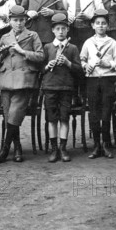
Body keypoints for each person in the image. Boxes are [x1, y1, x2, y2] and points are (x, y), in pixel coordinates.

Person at [0, 5, 44, 163]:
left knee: (14, 115)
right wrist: (2, 52)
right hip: (6, 78)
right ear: (10, 21)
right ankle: (17, 148)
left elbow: (40, 56)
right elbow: (0, 58)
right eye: (15, 20)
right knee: (8, 115)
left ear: (26, 21)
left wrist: (22, 52)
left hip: (24, 79)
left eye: (22, 20)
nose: (18, 23)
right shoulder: (4, 37)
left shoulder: (33, 35)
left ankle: (5, 149)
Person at [80, 9, 116, 159]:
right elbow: (82, 59)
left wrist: (107, 63)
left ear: (107, 26)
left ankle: (106, 144)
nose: (101, 26)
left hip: (108, 79)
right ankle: (96, 145)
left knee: (106, 112)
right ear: (92, 25)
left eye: (103, 23)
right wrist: (86, 66)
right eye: (97, 23)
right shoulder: (88, 42)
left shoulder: (112, 43)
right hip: (92, 80)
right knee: (94, 112)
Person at [42, 13, 82, 163]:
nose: (60, 31)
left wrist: (67, 63)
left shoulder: (72, 48)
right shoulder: (47, 47)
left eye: (63, 29)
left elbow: (79, 70)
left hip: (66, 87)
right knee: (52, 119)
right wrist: (47, 65)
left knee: (64, 118)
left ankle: (63, 148)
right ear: (53, 30)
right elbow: (40, 68)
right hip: (50, 86)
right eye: (57, 29)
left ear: (67, 30)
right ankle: (54, 149)